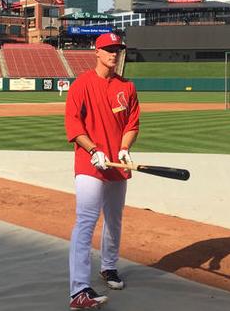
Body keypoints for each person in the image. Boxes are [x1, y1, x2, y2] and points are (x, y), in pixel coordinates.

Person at [65, 32, 140, 310]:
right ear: (96, 52)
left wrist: (123, 148)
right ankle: (79, 290)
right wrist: (94, 150)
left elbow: (132, 124)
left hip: (117, 166)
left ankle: (108, 267)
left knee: (114, 219)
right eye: (108, 49)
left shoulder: (127, 87)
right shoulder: (82, 85)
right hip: (89, 164)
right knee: (86, 221)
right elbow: (74, 126)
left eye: (117, 49)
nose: (113, 53)